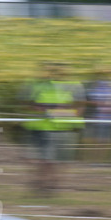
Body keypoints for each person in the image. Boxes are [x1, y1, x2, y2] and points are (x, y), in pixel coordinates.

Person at [21, 61, 85, 194]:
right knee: (45, 159)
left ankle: (52, 183)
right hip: (42, 128)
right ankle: (44, 183)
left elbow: (79, 108)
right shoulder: (37, 84)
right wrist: (41, 109)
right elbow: (28, 104)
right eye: (51, 69)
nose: (54, 72)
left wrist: (57, 112)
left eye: (58, 69)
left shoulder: (74, 85)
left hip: (65, 129)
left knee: (59, 160)